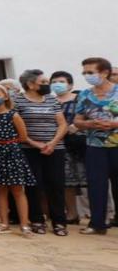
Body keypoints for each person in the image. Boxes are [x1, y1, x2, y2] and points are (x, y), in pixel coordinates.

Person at [14, 69, 69, 236]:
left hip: (55, 149)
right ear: (30, 84)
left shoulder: (52, 100)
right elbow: (16, 126)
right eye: (42, 83)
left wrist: (51, 143)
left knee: (56, 185)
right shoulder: (18, 101)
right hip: (29, 149)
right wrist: (35, 144)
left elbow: (62, 124)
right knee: (34, 186)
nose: (47, 85)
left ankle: (59, 222)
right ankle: (37, 220)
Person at [73, 57, 118, 235]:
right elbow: (77, 120)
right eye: (85, 72)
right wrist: (89, 124)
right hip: (95, 145)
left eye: (90, 72)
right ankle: (97, 223)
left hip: (116, 143)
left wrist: (113, 125)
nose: (87, 75)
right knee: (96, 184)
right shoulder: (84, 95)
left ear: (105, 72)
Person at [0, 83, 36, 236]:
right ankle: (4, 222)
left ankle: (25, 224)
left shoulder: (13, 115)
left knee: (18, 190)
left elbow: (23, 136)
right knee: (0, 190)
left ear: (5, 97)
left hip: (12, 153)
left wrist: (8, 144)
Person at [53, 71, 87, 224]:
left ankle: (97, 214)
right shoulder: (50, 101)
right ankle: (72, 214)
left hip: (80, 144)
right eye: (54, 82)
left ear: (70, 84)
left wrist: (77, 126)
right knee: (66, 182)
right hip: (60, 145)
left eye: (61, 81)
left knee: (88, 179)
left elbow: (89, 116)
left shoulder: (80, 98)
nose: (57, 84)